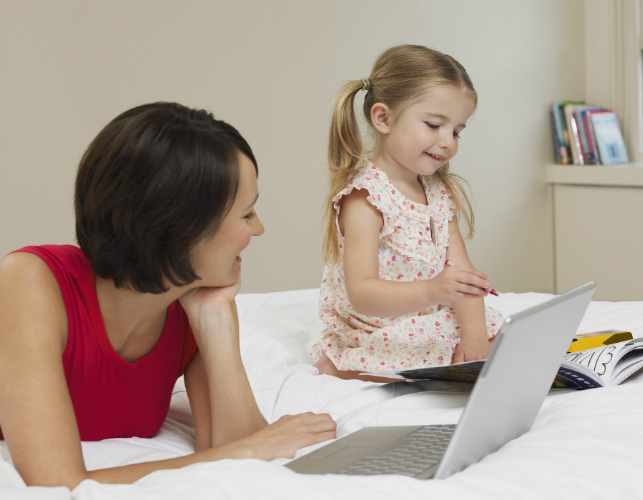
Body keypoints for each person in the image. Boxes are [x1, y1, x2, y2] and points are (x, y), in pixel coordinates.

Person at [0, 102, 336, 488]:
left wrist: (216, 320)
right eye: (246, 214)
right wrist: (244, 451)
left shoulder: (189, 307)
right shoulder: (30, 281)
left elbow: (246, 448)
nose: (258, 229)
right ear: (182, 230)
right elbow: (55, 482)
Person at [312, 45, 504, 380]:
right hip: (376, 324)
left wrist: (474, 338)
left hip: (426, 312)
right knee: (421, 359)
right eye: (433, 125)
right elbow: (363, 294)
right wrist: (435, 289)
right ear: (383, 118)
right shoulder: (366, 198)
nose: (448, 142)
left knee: (499, 335)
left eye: (456, 131)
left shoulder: (438, 193)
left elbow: (463, 273)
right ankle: (345, 364)